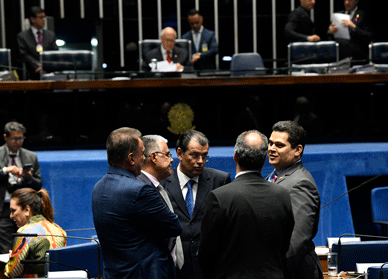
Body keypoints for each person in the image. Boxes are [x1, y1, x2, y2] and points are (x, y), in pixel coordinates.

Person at [198, 130, 294, 279]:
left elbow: (206, 253)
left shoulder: (219, 197)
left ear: (235, 156)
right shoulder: (282, 195)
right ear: (264, 160)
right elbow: (286, 245)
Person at [92, 127, 182, 279]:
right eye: (142, 154)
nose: (144, 159)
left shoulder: (98, 187)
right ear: (131, 158)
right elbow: (173, 227)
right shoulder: (140, 190)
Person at [161, 129, 231, 279]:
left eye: (204, 156)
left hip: (210, 268)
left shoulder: (219, 180)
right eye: (194, 155)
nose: (200, 161)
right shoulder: (162, 183)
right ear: (179, 153)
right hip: (175, 268)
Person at [267, 121, 323, 279]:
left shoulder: (301, 184)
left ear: (297, 150)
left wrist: (270, 273)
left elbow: (295, 242)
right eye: (270, 143)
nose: (271, 149)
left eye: (279, 145)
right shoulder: (274, 176)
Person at [137, 135, 184, 273]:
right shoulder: (142, 188)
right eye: (168, 154)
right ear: (154, 156)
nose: (171, 159)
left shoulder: (156, 185)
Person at [2, 188, 66, 278]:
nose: (11, 216)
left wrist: (11, 260)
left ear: (27, 210)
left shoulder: (24, 232)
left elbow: (12, 272)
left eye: (13, 210)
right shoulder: (59, 230)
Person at [0, 121, 42, 255]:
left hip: (25, 209)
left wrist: (28, 178)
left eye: (21, 138)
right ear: (5, 137)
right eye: (14, 138)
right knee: (5, 250)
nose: (18, 142)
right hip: (4, 209)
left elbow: (38, 184)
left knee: (26, 246)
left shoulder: (31, 156)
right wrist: (6, 170)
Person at [17, 6, 58, 80]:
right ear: (32, 19)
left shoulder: (50, 35)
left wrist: (46, 66)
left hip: (49, 73)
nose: (44, 20)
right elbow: (24, 54)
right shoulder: (22, 36)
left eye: (44, 17)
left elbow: (55, 52)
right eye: (41, 17)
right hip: (31, 73)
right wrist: (37, 65)